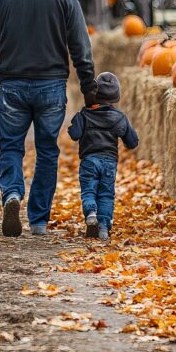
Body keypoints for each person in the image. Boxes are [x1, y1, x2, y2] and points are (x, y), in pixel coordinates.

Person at [0, 0, 97, 237]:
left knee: (12, 146)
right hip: (51, 86)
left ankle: (12, 194)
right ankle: (39, 220)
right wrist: (89, 86)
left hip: (13, 84)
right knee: (46, 151)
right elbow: (81, 48)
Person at [67, 72, 139, 240]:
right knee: (106, 194)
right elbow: (132, 142)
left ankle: (91, 213)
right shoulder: (119, 117)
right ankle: (103, 228)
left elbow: (74, 134)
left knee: (88, 191)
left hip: (89, 161)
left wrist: (79, 117)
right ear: (116, 96)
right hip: (109, 162)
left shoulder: (85, 115)